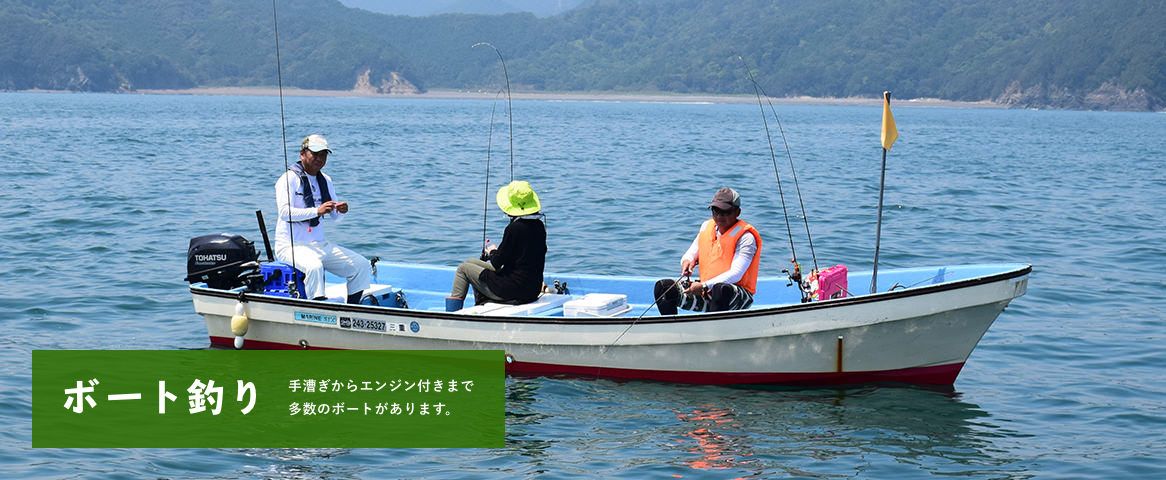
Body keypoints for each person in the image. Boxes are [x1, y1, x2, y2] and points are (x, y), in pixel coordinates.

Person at [274, 134, 371, 303]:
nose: (320, 158)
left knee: (361, 265)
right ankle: (317, 310)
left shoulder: (326, 180)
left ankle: (353, 310)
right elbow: (284, 213)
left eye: (324, 154)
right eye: (315, 154)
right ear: (302, 154)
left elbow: (335, 218)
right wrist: (317, 211)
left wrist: (341, 210)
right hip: (290, 246)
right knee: (314, 266)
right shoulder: (288, 179)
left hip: (319, 245)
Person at [653, 187, 762, 315]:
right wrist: (687, 262)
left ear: (737, 212)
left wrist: (704, 286)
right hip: (707, 289)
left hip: (735, 295)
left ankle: (716, 331)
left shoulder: (746, 238)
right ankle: (672, 328)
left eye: (725, 212)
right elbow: (691, 253)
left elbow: (736, 273)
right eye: (715, 211)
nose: (719, 216)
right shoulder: (707, 227)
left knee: (720, 289)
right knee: (664, 287)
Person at [446, 180, 547, 311]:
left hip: (514, 289)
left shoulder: (514, 228)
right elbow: (521, 255)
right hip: (532, 289)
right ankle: (482, 302)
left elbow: (496, 263)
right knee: (471, 262)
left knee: (463, 269)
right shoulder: (539, 226)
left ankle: (452, 315)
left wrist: (492, 251)